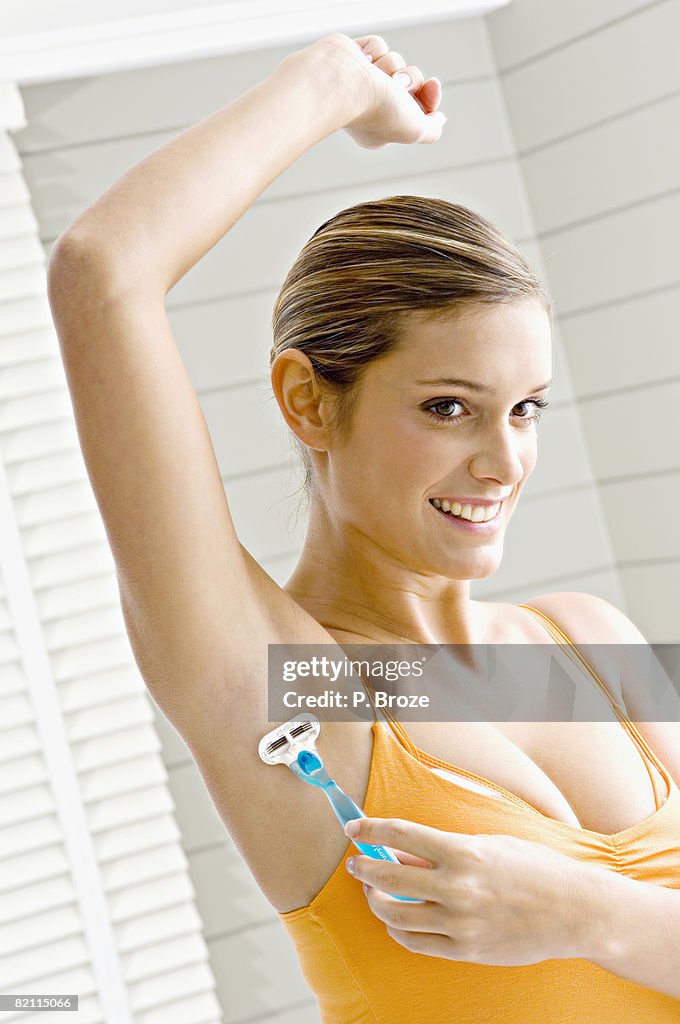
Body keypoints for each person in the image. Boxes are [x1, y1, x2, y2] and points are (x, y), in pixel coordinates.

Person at [46, 29, 680, 1024]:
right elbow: (101, 273)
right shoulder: (281, 680)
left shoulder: (587, 642)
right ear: (306, 401)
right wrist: (334, 82)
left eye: (524, 408)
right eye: (446, 407)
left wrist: (585, 913)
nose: (503, 460)